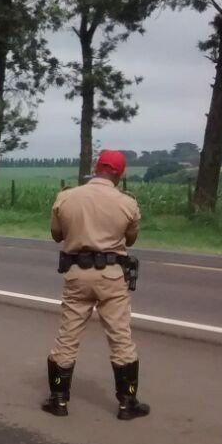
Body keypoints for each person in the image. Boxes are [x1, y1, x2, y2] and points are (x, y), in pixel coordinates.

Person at [42, 150, 150, 420]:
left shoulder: (66, 197)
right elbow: (131, 239)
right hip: (112, 276)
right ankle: (127, 403)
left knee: (67, 336)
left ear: (95, 167)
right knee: (120, 338)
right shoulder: (127, 203)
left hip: (77, 273)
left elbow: (57, 235)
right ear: (120, 173)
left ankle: (58, 400)